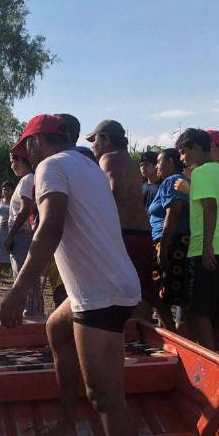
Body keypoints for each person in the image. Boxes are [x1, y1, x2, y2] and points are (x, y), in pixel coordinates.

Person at [0, 114, 141, 436]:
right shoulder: (86, 164)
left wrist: (18, 289)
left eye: (26, 146)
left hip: (101, 293)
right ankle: (67, 425)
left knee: (105, 398)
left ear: (36, 142)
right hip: (105, 285)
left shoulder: (49, 168)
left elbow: (50, 227)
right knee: (56, 329)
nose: (27, 155)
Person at [175, 128, 219, 364]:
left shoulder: (201, 172)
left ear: (195, 148)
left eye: (183, 152)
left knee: (199, 312)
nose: (182, 158)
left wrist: (206, 248)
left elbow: (210, 206)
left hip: (206, 250)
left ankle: (209, 362)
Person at [87, 120, 154, 321]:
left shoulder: (108, 159)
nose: (92, 146)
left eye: (94, 140)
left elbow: (114, 196)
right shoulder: (132, 163)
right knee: (141, 294)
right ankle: (144, 342)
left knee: (115, 296)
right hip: (142, 234)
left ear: (106, 139)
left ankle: (126, 343)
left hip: (122, 236)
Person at [147, 149, 190, 331]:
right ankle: (175, 331)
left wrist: (162, 248)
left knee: (159, 292)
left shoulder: (172, 181)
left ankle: (173, 334)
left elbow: (173, 214)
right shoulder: (179, 181)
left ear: (171, 162)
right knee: (172, 292)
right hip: (175, 241)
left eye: (159, 161)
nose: (157, 165)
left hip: (172, 242)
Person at [7, 148, 38, 316]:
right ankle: (31, 310)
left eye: (13, 162)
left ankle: (31, 312)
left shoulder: (28, 179)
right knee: (22, 273)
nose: (12, 166)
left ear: (20, 160)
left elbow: (26, 209)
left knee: (25, 275)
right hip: (21, 233)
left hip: (22, 234)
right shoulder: (25, 180)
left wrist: (11, 235)